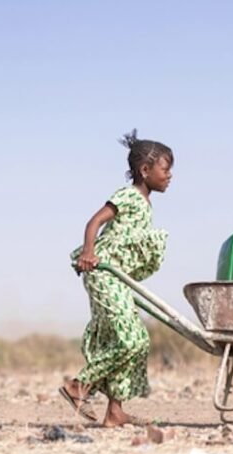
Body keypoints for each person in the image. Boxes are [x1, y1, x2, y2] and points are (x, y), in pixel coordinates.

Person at [59, 129, 173, 427]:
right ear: (144, 170)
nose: (170, 175)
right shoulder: (127, 196)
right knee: (132, 341)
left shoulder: (146, 204)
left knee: (127, 339)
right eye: (165, 169)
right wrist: (87, 252)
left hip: (118, 278)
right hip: (103, 274)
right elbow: (94, 221)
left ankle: (115, 411)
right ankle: (79, 386)